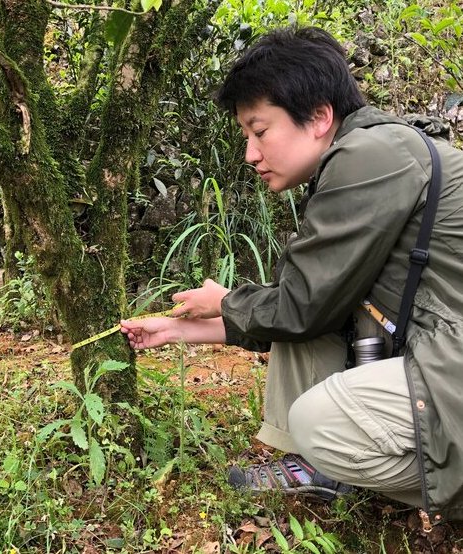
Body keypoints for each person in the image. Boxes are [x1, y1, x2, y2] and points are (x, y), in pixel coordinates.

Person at [121, 26, 463, 524]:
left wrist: (224, 301)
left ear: (321, 115)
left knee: (318, 421)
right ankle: (318, 467)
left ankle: (421, 477)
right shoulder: (368, 153)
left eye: (260, 132)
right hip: (442, 347)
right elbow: (307, 304)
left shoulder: (371, 157)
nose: (250, 154)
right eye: (246, 137)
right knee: (313, 329)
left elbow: (300, 307)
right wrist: (179, 330)